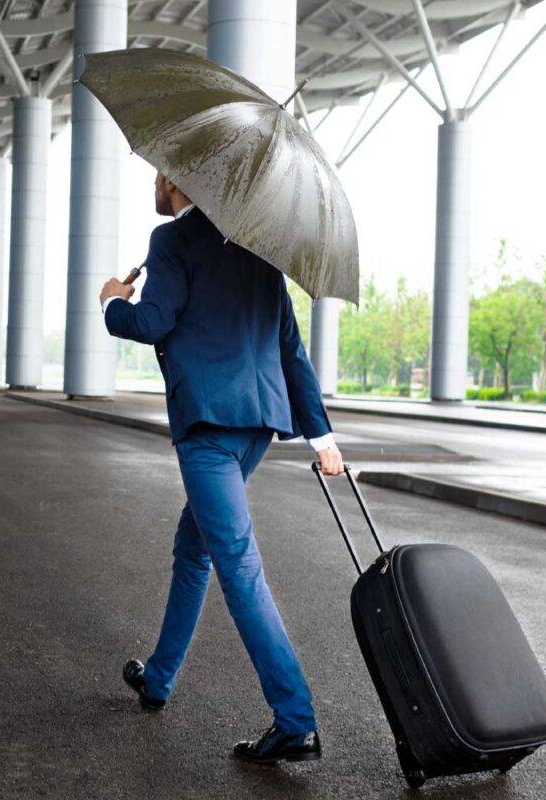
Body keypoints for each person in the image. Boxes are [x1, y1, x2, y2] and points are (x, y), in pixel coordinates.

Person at [100, 171, 344, 765]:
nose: (155, 178)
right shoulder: (260, 248)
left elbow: (152, 323)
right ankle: (157, 678)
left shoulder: (172, 241)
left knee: (238, 566)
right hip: (258, 424)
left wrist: (111, 300)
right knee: (195, 548)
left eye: (161, 170)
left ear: (178, 181)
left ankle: (295, 721)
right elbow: (290, 348)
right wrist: (321, 436)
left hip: (207, 427)